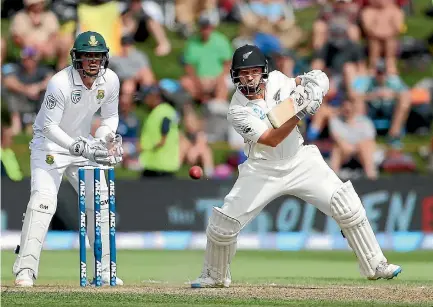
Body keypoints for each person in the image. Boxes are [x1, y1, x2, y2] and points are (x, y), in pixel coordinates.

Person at [190, 44, 402, 288]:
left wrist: (316, 84)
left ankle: (376, 264)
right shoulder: (237, 110)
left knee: (347, 204)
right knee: (223, 225)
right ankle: (214, 276)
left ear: (264, 71)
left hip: (300, 160)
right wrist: (300, 113)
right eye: (243, 72)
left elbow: (308, 81)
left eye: (254, 71)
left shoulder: (279, 80)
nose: (249, 77)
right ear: (235, 75)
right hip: (262, 168)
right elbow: (271, 139)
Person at [13, 31, 124, 287]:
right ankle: (25, 269)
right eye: (88, 56)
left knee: (101, 204)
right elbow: (50, 127)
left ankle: (105, 270)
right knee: (43, 203)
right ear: (77, 58)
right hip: (49, 147)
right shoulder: (59, 83)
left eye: (97, 56)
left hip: (82, 143)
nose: (93, 61)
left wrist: (106, 138)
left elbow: (109, 119)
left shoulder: (111, 81)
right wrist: (79, 147)